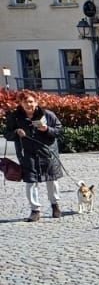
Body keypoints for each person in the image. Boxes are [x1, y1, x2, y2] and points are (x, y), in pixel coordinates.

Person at [6, 92, 65, 221]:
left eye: (31, 101)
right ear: (21, 104)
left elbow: (60, 131)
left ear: (36, 102)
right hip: (27, 154)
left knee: (52, 180)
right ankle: (35, 210)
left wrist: (47, 129)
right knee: (31, 182)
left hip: (48, 153)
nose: (29, 104)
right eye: (25, 102)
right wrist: (16, 132)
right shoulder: (15, 117)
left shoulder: (48, 115)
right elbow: (7, 134)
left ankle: (55, 205)